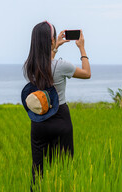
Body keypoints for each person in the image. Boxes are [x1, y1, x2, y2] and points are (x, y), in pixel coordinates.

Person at [22, 21, 91, 189]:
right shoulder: (61, 66)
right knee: (64, 170)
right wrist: (81, 48)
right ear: (51, 41)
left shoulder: (29, 66)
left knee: (38, 172)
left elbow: (46, 66)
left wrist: (54, 48)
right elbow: (87, 73)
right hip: (60, 119)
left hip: (38, 121)